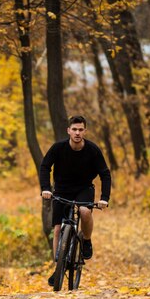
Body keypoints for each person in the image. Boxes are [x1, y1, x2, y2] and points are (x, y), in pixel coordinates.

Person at [40, 115, 111, 286]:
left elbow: (105, 174)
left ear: (85, 131)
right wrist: (46, 188)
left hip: (83, 189)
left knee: (85, 211)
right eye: (74, 129)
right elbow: (45, 166)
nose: (77, 133)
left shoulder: (93, 150)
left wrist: (104, 198)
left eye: (80, 129)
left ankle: (86, 240)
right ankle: (58, 268)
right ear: (68, 131)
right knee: (57, 229)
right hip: (62, 189)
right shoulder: (58, 148)